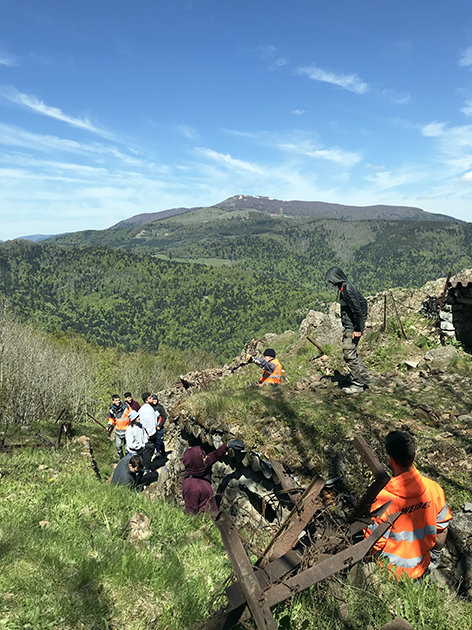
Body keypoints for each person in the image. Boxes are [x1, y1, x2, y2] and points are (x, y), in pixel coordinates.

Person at [364, 431, 452, 579]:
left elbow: (372, 544)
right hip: (421, 568)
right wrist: (435, 555)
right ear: (415, 455)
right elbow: (442, 530)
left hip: (388, 575)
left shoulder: (382, 499)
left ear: (390, 459)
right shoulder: (435, 489)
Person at [325, 266, 371, 394]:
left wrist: (357, 328)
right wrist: (363, 321)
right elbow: (364, 302)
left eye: (331, 279)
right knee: (352, 352)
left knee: (349, 354)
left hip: (352, 328)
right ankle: (365, 377)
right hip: (353, 326)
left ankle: (358, 384)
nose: (330, 282)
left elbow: (356, 309)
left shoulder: (346, 290)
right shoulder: (348, 286)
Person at [182, 439, 244, 514]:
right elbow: (191, 514)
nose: (206, 458)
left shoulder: (199, 468)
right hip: (205, 522)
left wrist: (227, 445)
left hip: (212, 517)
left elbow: (214, 455)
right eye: (203, 457)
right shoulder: (191, 487)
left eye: (204, 455)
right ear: (197, 462)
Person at [107, 394, 131, 459]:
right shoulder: (112, 410)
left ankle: (128, 460)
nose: (118, 401)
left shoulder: (126, 407)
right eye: (116, 400)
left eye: (119, 400)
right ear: (113, 401)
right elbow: (112, 419)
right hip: (118, 431)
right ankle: (121, 458)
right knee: (118, 446)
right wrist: (108, 425)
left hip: (127, 430)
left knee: (127, 448)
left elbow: (132, 414)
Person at [139, 392, 160, 460]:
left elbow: (156, 414)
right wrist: (146, 433)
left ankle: (148, 464)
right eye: (150, 398)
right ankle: (146, 467)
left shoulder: (150, 408)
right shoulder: (144, 410)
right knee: (148, 451)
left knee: (151, 450)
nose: (152, 399)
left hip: (153, 432)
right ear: (146, 401)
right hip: (148, 434)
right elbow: (143, 422)